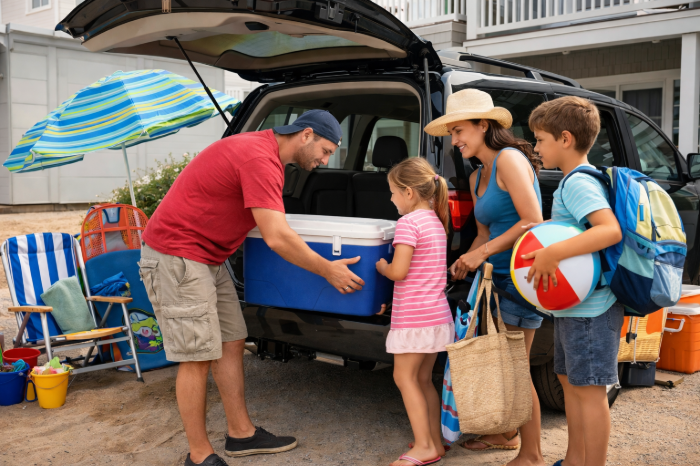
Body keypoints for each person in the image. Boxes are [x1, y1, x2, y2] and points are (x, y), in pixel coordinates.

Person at [138, 110, 366, 466]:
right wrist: (327, 270)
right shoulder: (259, 158)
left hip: (209, 257)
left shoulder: (266, 154)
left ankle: (241, 435)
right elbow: (276, 237)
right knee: (197, 355)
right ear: (306, 135)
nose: (324, 161)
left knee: (231, 340)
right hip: (177, 255)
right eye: (324, 151)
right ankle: (199, 456)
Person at [424, 88, 545, 466]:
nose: (455, 140)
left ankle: (532, 454)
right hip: (496, 280)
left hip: (523, 277)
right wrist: (464, 261)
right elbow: (483, 233)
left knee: (516, 368)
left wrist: (481, 254)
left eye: (459, 130)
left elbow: (532, 221)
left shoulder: (509, 159)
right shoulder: (478, 177)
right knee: (501, 365)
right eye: (452, 133)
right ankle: (505, 433)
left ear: (484, 125)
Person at [524, 96, 623, 466]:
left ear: (565, 138)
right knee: (569, 382)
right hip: (576, 305)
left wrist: (553, 253)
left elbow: (608, 230)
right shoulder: (572, 181)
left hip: (593, 308)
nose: (536, 149)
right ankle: (574, 458)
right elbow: (578, 231)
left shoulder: (578, 183)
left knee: (590, 391)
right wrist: (547, 235)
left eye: (540, 140)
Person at [375, 157, 454, 466]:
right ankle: (435, 441)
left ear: (409, 192)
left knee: (404, 377)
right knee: (423, 380)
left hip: (414, 320)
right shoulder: (435, 220)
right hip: (436, 316)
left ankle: (423, 446)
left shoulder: (408, 223)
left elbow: (400, 271)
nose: (391, 198)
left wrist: (382, 267)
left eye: (393, 192)